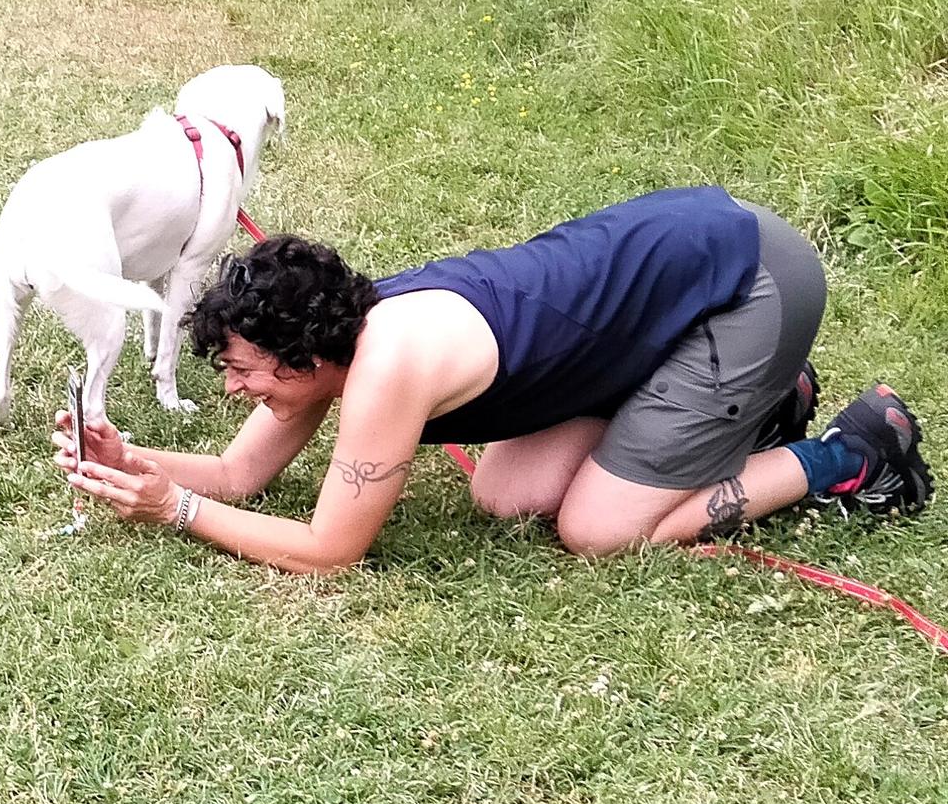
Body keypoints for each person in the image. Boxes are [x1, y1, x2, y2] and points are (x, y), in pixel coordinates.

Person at [56, 185, 929, 573]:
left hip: (749, 281)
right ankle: (760, 399)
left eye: (245, 373)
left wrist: (172, 511)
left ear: (304, 358)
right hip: (682, 287)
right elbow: (243, 477)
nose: (237, 390)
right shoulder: (331, 347)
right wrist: (134, 461)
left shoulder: (387, 364)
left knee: (596, 530)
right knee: (506, 495)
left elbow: (329, 551)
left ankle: (852, 451)